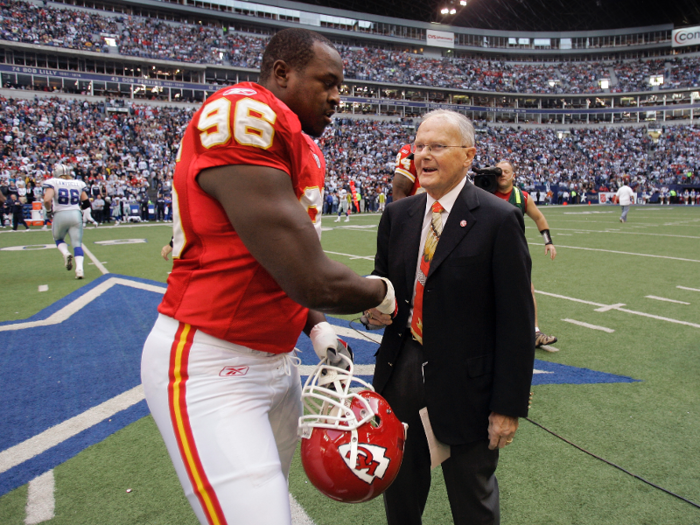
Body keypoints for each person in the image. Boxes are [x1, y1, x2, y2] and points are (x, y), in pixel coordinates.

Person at [140, 28, 397, 525]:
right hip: (213, 361)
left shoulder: (302, 146)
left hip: (278, 362)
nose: (338, 97)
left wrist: (317, 327)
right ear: (281, 73)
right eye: (327, 82)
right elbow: (310, 278)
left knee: (271, 503)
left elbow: (281, 263)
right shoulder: (244, 114)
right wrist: (385, 292)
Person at [364, 110, 535, 525]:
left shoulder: (499, 219)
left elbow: (516, 321)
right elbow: (383, 281)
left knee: (473, 503)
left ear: (468, 155)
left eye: (437, 146)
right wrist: (372, 306)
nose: (423, 155)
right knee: (400, 499)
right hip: (401, 375)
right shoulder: (398, 216)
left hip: (468, 390)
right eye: (419, 145)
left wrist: (507, 407)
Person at [495, 161, 558, 350]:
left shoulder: (521, 196)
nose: (503, 175)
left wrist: (548, 240)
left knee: (527, 289)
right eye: (499, 172)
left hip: (514, 249)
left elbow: (539, 217)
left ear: (513, 175)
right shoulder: (484, 192)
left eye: (506, 171)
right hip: (486, 249)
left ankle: (535, 332)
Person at [42, 164, 91, 279]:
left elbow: (47, 199)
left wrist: (49, 211)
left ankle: (65, 253)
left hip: (60, 214)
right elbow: (86, 202)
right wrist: (83, 212)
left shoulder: (53, 182)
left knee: (58, 238)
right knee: (77, 244)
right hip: (75, 214)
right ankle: (79, 269)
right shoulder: (78, 183)